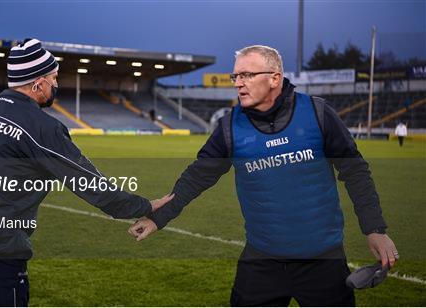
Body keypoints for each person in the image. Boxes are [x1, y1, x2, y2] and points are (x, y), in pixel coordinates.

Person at [129, 45, 398, 306]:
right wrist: (157, 218)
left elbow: (355, 171)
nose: (238, 83)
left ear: (274, 78)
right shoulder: (229, 128)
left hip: (323, 260)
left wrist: (375, 229)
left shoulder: (317, 113)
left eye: (247, 75)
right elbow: (197, 177)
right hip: (261, 262)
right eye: (235, 76)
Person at [0, 38, 173, 306]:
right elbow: (88, 182)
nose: (56, 85)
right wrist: (144, 206)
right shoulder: (42, 127)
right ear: (37, 83)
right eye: (54, 78)